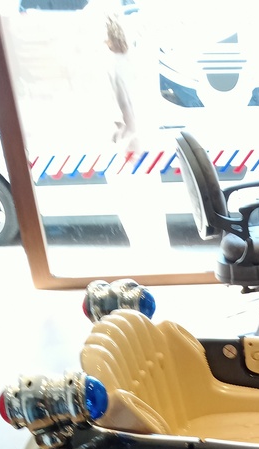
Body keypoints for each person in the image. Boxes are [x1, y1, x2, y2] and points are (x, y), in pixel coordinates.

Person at [104, 10, 171, 265]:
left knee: (134, 211)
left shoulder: (109, 65)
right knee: (151, 210)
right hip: (145, 142)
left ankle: (147, 262)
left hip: (128, 147)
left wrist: (124, 143)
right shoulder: (132, 60)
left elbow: (122, 112)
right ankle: (159, 261)